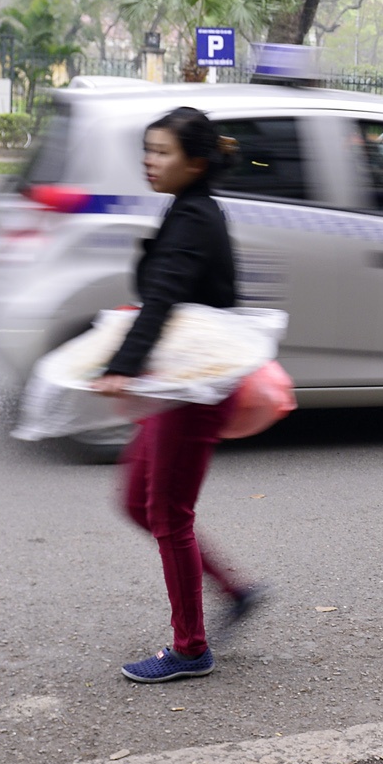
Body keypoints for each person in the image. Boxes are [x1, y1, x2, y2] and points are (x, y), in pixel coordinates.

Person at [93, 107, 264, 683]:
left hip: (194, 388)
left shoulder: (194, 217)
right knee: (138, 502)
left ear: (195, 162)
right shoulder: (188, 207)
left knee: (167, 512)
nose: (150, 160)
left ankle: (191, 648)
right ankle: (233, 591)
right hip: (177, 379)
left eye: (162, 151)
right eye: (148, 149)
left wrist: (122, 366)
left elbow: (162, 297)